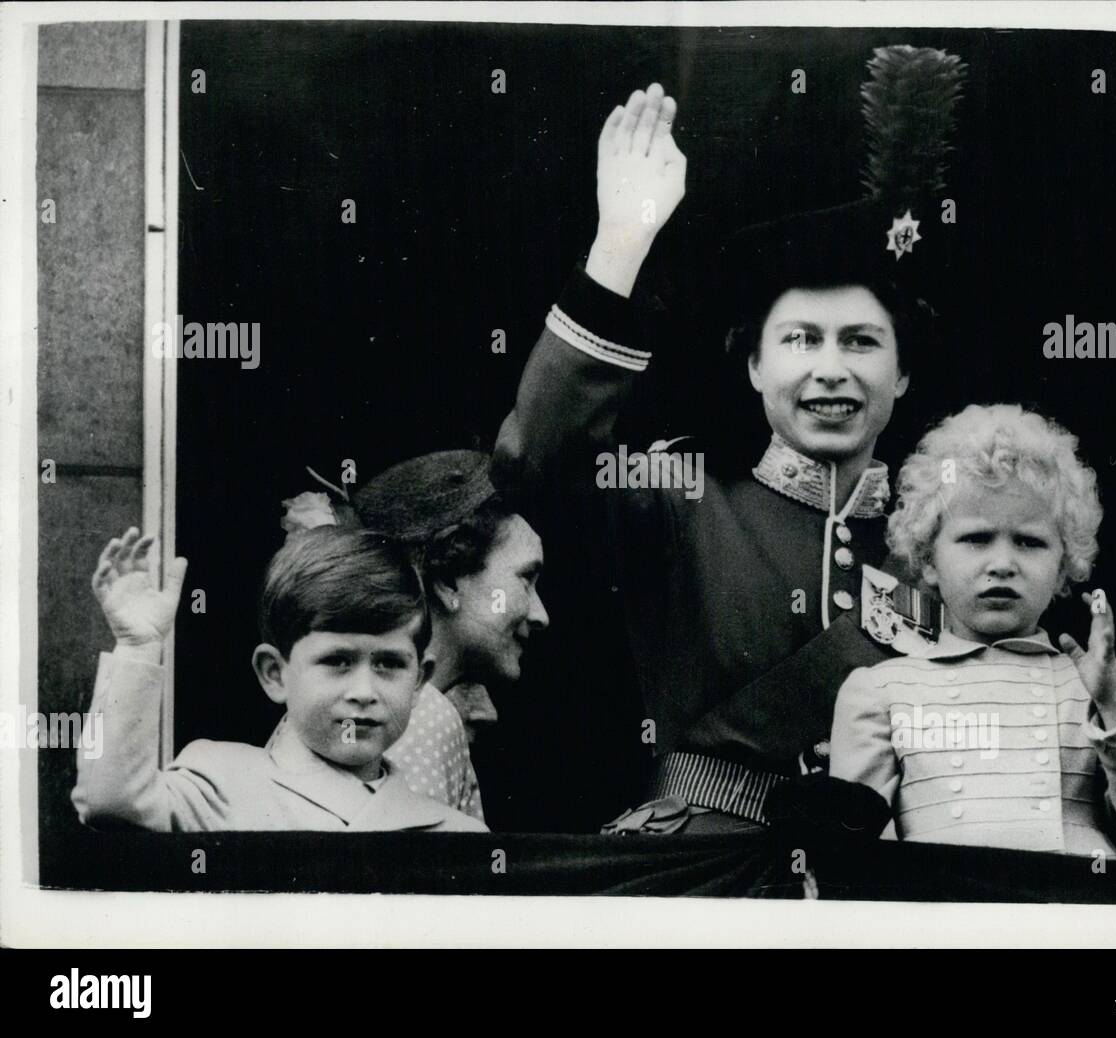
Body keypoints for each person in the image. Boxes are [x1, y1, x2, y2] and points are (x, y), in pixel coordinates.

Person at [493, 84, 946, 833]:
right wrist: (621, 243)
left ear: (901, 373)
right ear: (754, 368)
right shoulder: (685, 498)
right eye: (800, 339)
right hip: (706, 865)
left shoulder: (945, 541)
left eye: (861, 342)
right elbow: (536, 461)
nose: (830, 369)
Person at [829, 404, 1116, 856]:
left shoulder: (1110, 685)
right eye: (976, 538)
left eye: (1029, 542)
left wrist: (1112, 704)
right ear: (928, 560)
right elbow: (855, 854)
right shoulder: (880, 691)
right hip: (943, 910)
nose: (1002, 564)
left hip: (1076, 906)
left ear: (1063, 567)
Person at [73, 525, 487, 832]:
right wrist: (139, 645)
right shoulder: (222, 782)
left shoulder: (452, 832)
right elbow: (113, 799)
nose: (364, 692)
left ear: (420, 682)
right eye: (338, 661)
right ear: (275, 674)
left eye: (390, 664)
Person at [343, 450, 550, 825]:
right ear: (449, 580)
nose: (541, 615)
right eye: (525, 578)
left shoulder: (374, 707)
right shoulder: (419, 717)